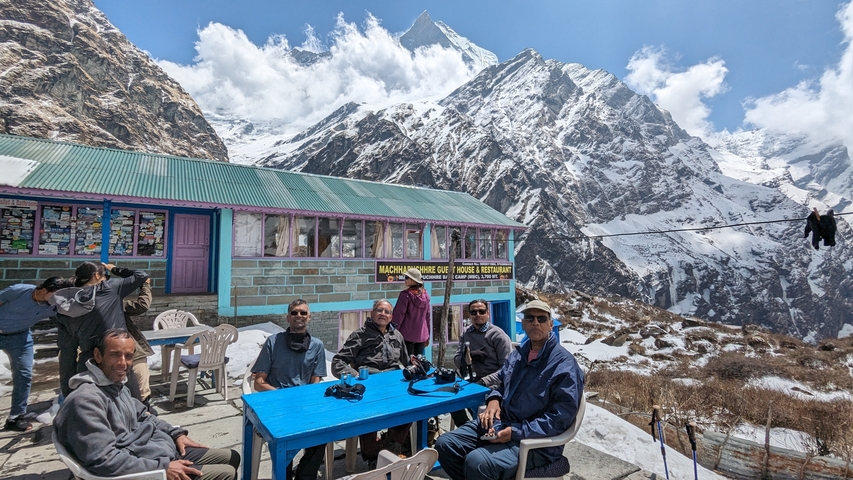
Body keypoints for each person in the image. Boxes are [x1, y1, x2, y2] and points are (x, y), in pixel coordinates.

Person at [54, 328, 240, 480]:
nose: (123, 363)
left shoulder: (115, 385)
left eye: (128, 356)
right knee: (226, 474)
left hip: (156, 452)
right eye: (115, 355)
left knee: (232, 457)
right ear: (98, 355)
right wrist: (162, 468)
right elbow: (104, 461)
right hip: (145, 470)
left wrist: (175, 434)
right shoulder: (86, 401)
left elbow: (143, 415)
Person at [435, 300, 584, 480]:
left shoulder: (564, 364)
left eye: (541, 318)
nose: (535, 322)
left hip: (535, 442)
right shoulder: (518, 355)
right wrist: (493, 400)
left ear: (550, 324)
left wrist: (515, 432)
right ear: (524, 323)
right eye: (530, 318)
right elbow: (502, 384)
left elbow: (560, 419)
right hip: (501, 424)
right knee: (445, 444)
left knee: (476, 462)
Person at [251, 299, 327, 480]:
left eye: (303, 313)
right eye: (294, 313)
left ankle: (304, 476)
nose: (298, 316)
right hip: (277, 404)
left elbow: (315, 381)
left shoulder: (317, 346)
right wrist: (283, 396)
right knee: (283, 441)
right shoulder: (273, 342)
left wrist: (305, 402)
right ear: (288, 317)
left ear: (309, 318)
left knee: (323, 432)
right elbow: (259, 382)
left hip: (304, 406)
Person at [332, 299, 411, 467]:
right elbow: (338, 362)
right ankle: (374, 456)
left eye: (387, 312)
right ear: (372, 313)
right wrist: (356, 376)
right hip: (370, 385)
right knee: (367, 415)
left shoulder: (397, 335)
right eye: (379, 310)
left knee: (412, 406)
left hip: (393, 384)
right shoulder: (360, 335)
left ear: (391, 316)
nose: (383, 314)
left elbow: (407, 361)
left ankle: (392, 446)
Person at [51, 262, 148, 397]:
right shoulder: (109, 289)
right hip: (118, 362)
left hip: (88, 366)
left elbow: (67, 354)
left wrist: (69, 392)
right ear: (97, 275)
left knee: (95, 411)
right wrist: (114, 269)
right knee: (131, 408)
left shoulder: (65, 306)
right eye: (104, 275)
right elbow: (141, 275)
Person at [0, 277, 69, 432]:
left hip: (20, 338)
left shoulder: (54, 306)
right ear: (44, 290)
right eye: (56, 295)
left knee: (24, 374)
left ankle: (15, 417)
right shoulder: (19, 290)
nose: (58, 299)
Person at [450, 299, 512, 427]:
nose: (478, 314)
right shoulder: (466, 333)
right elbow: (456, 359)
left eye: (481, 311)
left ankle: (478, 428)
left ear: (487, 313)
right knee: (449, 399)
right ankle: (465, 427)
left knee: (476, 401)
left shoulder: (498, 335)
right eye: (473, 312)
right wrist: (468, 356)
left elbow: (507, 369)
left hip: (493, 384)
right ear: (470, 315)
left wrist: (484, 381)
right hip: (470, 380)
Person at [123, 277, 155, 408]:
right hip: (129, 350)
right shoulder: (112, 301)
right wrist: (145, 285)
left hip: (130, 351)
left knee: (141, 387)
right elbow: (142, 305)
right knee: (140, 390)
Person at [391, 268, 431, 356]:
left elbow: (398, 316)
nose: (404, 280)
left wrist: (392, 334)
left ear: (412, 280)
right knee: (419, 364)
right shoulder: (426, 295)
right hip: (421, 336)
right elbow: (428, 317)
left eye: (406, 277)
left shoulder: (405, 295)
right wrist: (428, 335)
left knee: (407, 365)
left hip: (406, 336)